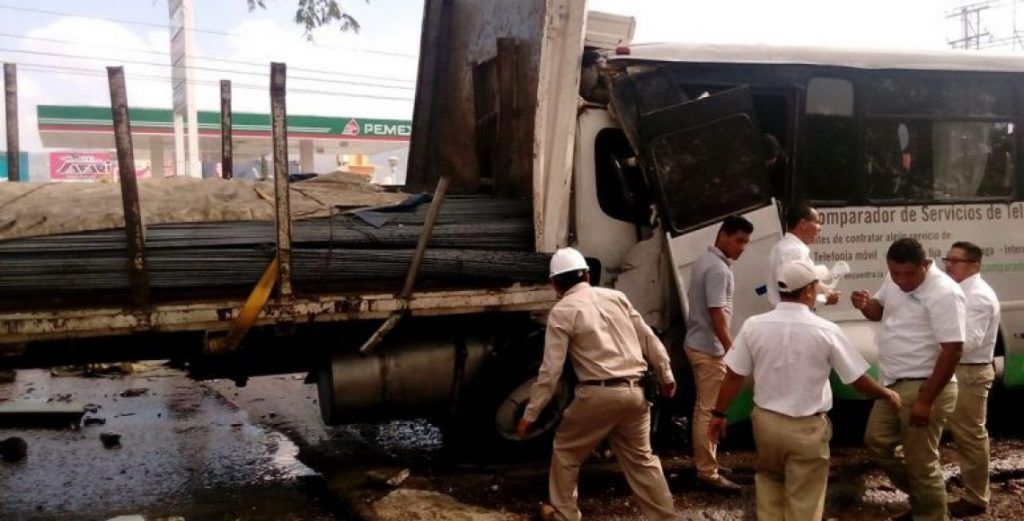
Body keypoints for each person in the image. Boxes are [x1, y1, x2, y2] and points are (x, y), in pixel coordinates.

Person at [709, 259, 901, 520]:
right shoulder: (826, 330)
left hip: (766, 424)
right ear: (809, 291)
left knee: (768, 484)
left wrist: (719, 414)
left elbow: (733, 375)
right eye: (817, 285)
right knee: (805, 501)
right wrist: (886, 393)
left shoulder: (754, 325)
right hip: (806, 429)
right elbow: (856, 379)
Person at [517, 247, 681, 521]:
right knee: (642, 461)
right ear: (588, 275)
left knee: (567, 451)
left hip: (598, 395)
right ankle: (666, 517)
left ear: (554, 285)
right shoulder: (616, 297)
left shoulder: (562, 311)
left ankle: (564, 513)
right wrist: (666, 374)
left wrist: (530, 414)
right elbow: (648, 338)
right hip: (638, 393)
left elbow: (550, 372)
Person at [852, 238, 966, 521]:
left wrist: (926, 400)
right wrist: (865, 306)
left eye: (909, 274)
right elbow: (880, 310)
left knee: (921, 461)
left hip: (925, 385)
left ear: (926, 265)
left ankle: (931, 512)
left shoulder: (945, 293)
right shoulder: (895, 279)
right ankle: (925, 499)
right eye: (895, 273)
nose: (902, 280)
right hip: (892, 383)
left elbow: (953, 349)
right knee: (877, 441)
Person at [683, 214, 754, 492]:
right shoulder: (718, 269)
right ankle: (707, 472)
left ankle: (707, 462)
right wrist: (732, 350)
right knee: (708, 410)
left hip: (699, 343)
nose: (742, 247)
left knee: (705, 407)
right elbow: (718, 314)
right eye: (738, 240)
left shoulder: (705, 261)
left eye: (746, 242)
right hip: (709, 349)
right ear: (722, 235)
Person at [942, 241, 1001, 518]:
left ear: (974, 265)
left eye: (956, 261)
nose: (949, 264)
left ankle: (976, 498)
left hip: (968, 371)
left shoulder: (976, 295)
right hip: (958, 368)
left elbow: (970, 341)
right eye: (948, 259)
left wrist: (935, 343)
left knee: (970, 436)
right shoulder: (961, 291)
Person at [766, 203, 840, 307]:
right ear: (803, 224)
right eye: (817, 222)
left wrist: (825, 290)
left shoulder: (780, 247)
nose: (820, 228)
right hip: (793, 316)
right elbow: (798, 294)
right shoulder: (796, 251)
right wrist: (827, 298)